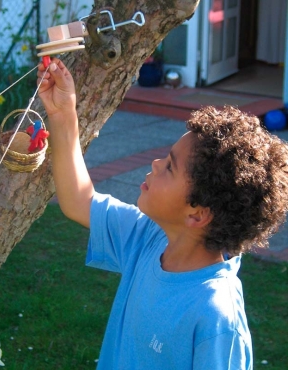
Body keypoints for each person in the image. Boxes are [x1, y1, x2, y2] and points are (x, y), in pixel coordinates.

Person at [37, 58, 288, 369]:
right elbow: (78, 200)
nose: (156, 163)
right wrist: (62, 114)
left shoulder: (217, 318)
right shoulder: (148, 237)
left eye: (169, 166)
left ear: (197, 215)